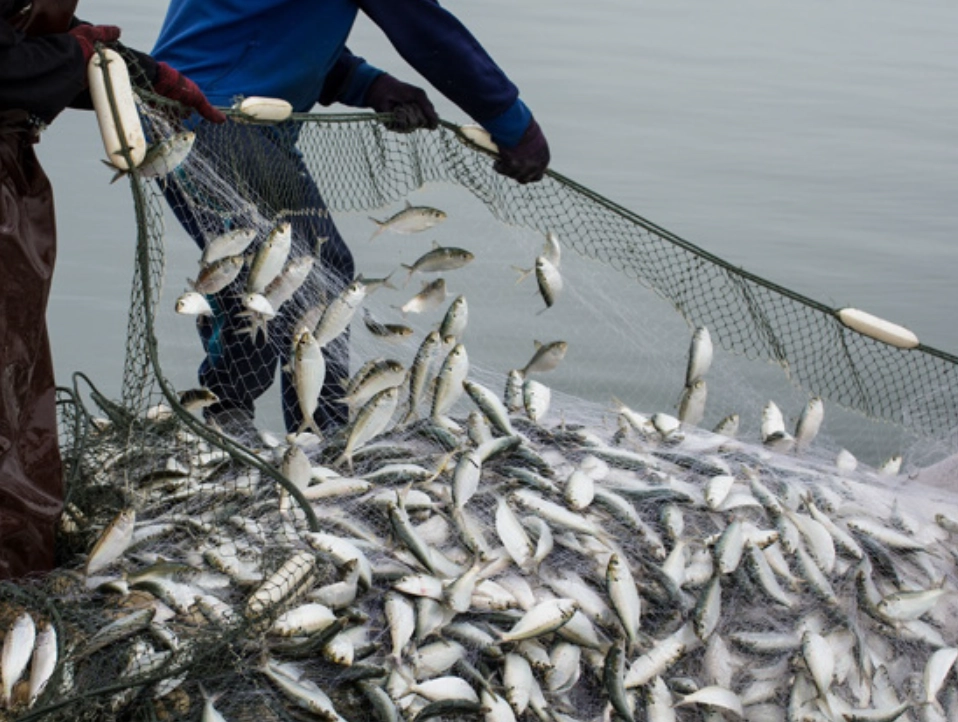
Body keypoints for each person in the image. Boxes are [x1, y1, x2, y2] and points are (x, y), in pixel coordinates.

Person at [151, 0, 551, 439]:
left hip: (204, 111)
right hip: (214, 120)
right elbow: (424, 28)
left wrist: (366, 84)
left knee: (286, 273)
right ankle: (297, 429)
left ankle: (263, 423)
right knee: (303, 276)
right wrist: (513, 123)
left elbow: (271, 23)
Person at [0, 0, 223, 579]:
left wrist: (141, 74)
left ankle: (21, 566)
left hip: (10, 177)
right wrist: (76, 56)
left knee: (17, 379)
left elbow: (28, 48)